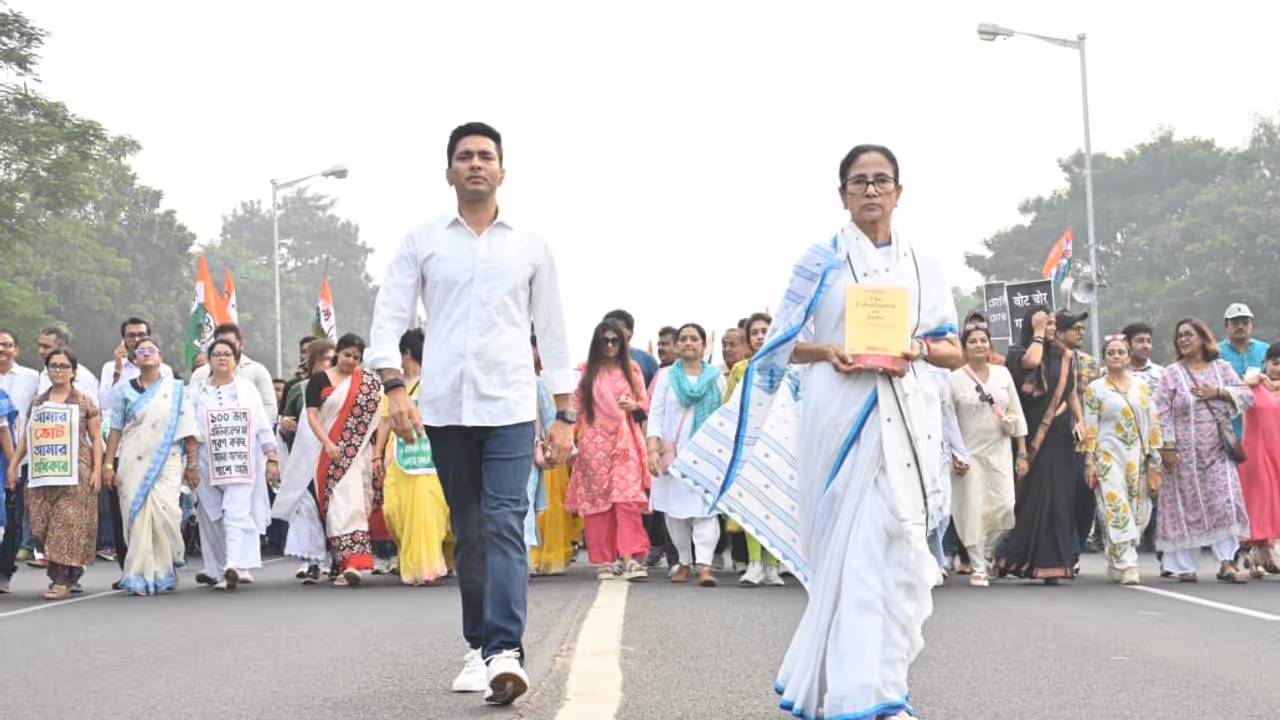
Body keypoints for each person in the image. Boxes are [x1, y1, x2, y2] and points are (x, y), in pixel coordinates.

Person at [671, 145, 961, 720]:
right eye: (860, 182)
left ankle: (878, 687)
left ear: (899, 191)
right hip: (837, 424)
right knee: (852, 557)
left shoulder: (924, 264)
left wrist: (914, 348)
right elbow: (775, 346)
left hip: (905, 427)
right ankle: (869, 700)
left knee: (898, 562)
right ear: (843, 194)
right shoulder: (820, 260)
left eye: (882, 181)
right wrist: (827, 349)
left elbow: (951, 349)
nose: (872, 191)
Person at [367, 122, 575, 706]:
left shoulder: (529, 244)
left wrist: (564, 413)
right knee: (471, 527)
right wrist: (393, 386)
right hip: (445, 409)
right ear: (450, 171)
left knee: (507, 521)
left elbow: (553, 332)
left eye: (486, 156)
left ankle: (506, 651)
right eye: (465, 157)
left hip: (509, 405)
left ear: (502, 171)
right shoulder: (424, 240)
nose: (475, 164)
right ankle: (479, 646)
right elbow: (389, 316)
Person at [273, 333, 382, 587]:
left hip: (359, 453)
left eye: (357, 357)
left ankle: (351, 564)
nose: (352, 361)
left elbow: (376, 418)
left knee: (355, 504)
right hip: (326, 453)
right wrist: (328, 443)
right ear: (338, 353)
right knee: (337, 507)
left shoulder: (366, 383)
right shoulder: (319, 381)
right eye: (347, 355)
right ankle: (347, 563)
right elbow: (312, 417)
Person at [1154, 318, 1252, 583]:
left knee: (1226, 501)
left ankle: (1228, 563)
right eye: (1180, 336)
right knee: (1185, 506)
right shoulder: (1171, 373)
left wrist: (1218, 393)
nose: (1184, 340)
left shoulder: (1221, 368)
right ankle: (1185, 565)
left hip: (1218, 449)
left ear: (1203, 337)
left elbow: (1246, 395)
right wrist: (1168, 446)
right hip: (1182, 453)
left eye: (1189, 334)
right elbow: (1162, 412)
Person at [102, 338, 198, 596]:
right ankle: (136, 575)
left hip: (168, 460)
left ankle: (162, 571)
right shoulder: (123, 391)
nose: (146, 354)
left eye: (151, 350)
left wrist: (193, 464)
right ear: (134, 359)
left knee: (167, 513)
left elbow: (189, 431)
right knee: (137, 517)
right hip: (132, 461)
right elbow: (115, 430)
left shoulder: (177, 390)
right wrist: (108, 464)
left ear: (160, 356)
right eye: (140, 351)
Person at [6, 349, 102, 599]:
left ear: (73, 371)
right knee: (41, 527)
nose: (58, 370)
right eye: (53, 366)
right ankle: (71, 573)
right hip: (42, 475)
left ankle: (58, 581)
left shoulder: (84, 402)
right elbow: (27, 437)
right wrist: (14, 465)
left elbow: (95, 438)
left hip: (75, 475)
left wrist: (98, 470)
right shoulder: (38, 402)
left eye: (63, 366)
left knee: (65, 525)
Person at [997, 306, 1079, 583]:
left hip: (1058, 434)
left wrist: (1080, 420)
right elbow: (1031, 363)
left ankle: (1052, 564)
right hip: (1028, 432)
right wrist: (1039, 333)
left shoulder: (1064, 356)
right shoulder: (1018, 352)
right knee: (1030, 498)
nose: (1052, 327)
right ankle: (1013, 556)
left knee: (1058, 499)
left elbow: (1070, 391)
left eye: (1054, 323)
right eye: (1046, 323)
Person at [566, 320, 651, 581]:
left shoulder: (632, 370)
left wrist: (633, 405)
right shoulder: (586, 371)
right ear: (597, 343)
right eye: (606, 341)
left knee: (626, 499)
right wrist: (568, 441)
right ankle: (604, 561)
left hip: (626, 443)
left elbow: (645, 405)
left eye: (616, 341)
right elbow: (574, 408)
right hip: (594, 444)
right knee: (597, 504)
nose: (611, 345)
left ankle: (629, 558)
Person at [192, 339, 279, 591]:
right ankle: (220, 569)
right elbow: (187, 428)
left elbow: (262, 426)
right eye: (217, 354)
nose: (222, 358)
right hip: (206, 462)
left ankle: (232, 563)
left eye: (227, 354)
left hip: (241, 462)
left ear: (236, 360)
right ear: (209, 360)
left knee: (235, 511)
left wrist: (271, 458)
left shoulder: (247, 389)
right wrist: (189, 464)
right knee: (214, 514)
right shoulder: (196, 392)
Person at [948, 319, 1027, 587]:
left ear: (990, 345)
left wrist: (1022, 451)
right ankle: (978, 565)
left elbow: (1016, 411)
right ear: (964, 348)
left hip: (1000, 452)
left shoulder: (1003, 375)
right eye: (973, 341)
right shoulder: (953, 380)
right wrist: (954, 454)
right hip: (968, 456)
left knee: (1005, 506)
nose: (979, 345)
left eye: (983, 340)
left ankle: (988, 551)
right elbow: (947, 421)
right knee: (972, 509)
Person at [371, 328, 452, 586]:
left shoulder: (435, 382)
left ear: (406, 353)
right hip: (400, 456)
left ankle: (425, 564)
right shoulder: (395, 389)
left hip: (429, 456)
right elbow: (385, 422)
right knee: (395, 509)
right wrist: (377, 455)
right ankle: (416, 558)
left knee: (428, 509)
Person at [1082, 335, 1164, 585]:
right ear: (1105, 358)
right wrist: (1089, 460)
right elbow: (1090, 426)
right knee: (1116, 507)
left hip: (1137, 457)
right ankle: (1128, 563)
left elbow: (1152, 421)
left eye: (1121, 352)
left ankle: (1115, 554)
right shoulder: (1095, 389)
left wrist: (1155, 458)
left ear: (1128, 357)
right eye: (1111, 352)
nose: (1116, 356)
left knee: (1138, 513)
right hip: (1107, 456)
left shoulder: (1142, 386)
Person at [647, 323, 724, 587]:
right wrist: (652, 450)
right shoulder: (667, 376)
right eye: (684, 339)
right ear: (678, 346)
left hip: (707, 454)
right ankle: (683, 562)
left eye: (694, 338)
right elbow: (655, 414)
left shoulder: (716, 377)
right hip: (673, 454)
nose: (688, 342)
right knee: (675, 512)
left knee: (706, 511)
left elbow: (724, 416)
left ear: (704, 345)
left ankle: (705, 565)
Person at [724, 312, 786, 586]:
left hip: (781, 444)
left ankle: (773, 565)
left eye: (765, 331)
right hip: (750, 443)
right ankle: (754, 563)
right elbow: (728, 406)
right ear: (748, 339)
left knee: (775, 505)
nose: (761, 336)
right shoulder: (741, 370)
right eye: (755, 332)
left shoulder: (789, 367)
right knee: (752, 504)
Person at [1055, 309, 1101, 567]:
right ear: (1059, 332)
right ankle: (1069, 552)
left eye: (1082, 328)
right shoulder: (1050, 359)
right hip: (1057, 439)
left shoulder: (1091, 364)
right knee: (1063, 498)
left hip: (1087, 442)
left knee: (1085, 501)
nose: (1080, 332)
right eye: (1074, 328)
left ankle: (1078, 543)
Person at [0, 328, 41, 591]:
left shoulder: (32, 377)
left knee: (13, 517)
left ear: (16, 349)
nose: (2, 349)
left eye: (6, 345)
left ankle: (4, 571)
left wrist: (14, 462)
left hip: (22, 458)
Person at [1240, 344, 1280, 576]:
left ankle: (1257, 555)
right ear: (1266, 362)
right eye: (1274, 362)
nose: (1278, 368)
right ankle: (1266, 553)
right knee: (1263, 503)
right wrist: (1251, 378)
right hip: (1258, 454)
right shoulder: (1254, 386)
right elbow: (1236, 395)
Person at [188, 323, 279, 424]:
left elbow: (269, 405)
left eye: (231, 344)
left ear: (241, 345)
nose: (227, 348)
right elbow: (190, 408)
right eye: (222, 344)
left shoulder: (257, 371)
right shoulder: (200, 374)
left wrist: (255, 432)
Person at [1218, 303, 1267, 439]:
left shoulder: (1266, 350)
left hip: (1262, 423)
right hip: (1228, 426)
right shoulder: (1214, 353)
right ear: (1226, 326)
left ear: (1251, 324)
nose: (1241, 326)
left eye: (1245, 322)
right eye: (1235, 323)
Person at [35, 327, 99, 400]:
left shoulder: (84, 378)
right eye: (39, 346)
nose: (41, 351)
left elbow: (92, 409)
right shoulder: (44, 374)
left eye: (46, 347)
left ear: (63, 347)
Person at [604, 309, 659, 388]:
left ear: (631, 332)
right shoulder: (596, 362)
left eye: (619, 327)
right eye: (609, 328)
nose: (614, 332)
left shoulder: (647, 360)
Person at [1124, 322, 1164, 389]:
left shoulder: (1162, 374)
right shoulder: (1112, 373)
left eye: (1149, 341)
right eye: (1140, 341)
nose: (1146, 346)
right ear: (1127, 343)